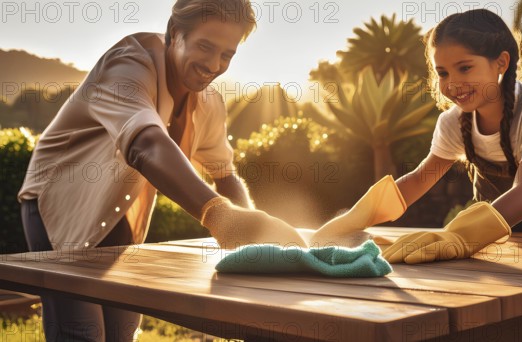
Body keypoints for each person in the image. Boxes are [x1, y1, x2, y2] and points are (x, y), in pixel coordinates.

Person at [18, 0, 306, 340]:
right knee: (82, 331)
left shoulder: (209, 102)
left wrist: (255, 237)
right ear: (174, 34)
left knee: (123, 330)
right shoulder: (127, 65)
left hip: (115, 213)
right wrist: (218, 215)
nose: (214, 65)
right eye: (205, 46)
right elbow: (146, 146)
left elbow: (225, 176)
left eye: (227, 55)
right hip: (56, 202)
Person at [310, 8, 522, 263]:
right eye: (443, 72)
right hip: (490, 237)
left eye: (465, 68)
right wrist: (356, 218)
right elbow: (419, 179)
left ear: (501, 62)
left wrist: (459, 236)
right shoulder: (453, 122)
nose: (452, 83)